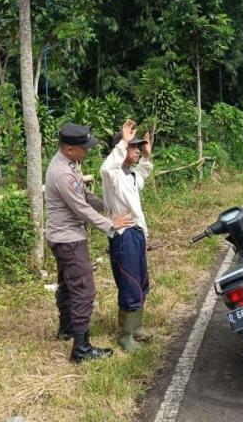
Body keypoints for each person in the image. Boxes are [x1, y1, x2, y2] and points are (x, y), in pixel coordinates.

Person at [45, 123, 133, 363]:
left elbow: (85, 194)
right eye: (84, 148)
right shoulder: (62, 173)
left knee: (67, 285)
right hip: (69, 240)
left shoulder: (69, 163)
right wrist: (110, 223)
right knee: (83, 290)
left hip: (61, 237)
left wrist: (108, 206)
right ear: (70, 149)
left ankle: (67, 329)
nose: (88, 151)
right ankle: (81, 347)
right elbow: (81, 208)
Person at [100, 120, 153, 353]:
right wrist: (123, 141)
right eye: (134, 147)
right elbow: (106, 168)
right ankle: (125, 336)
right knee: (129, 283)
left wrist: (147, 156)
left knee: (141, 281)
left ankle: (138, 327)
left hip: (137, 231)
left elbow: (143, 173)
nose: (137, 150)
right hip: (124, 235)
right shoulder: (112, 176)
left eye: (138, 147)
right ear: (120, 150)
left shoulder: (129, 174)